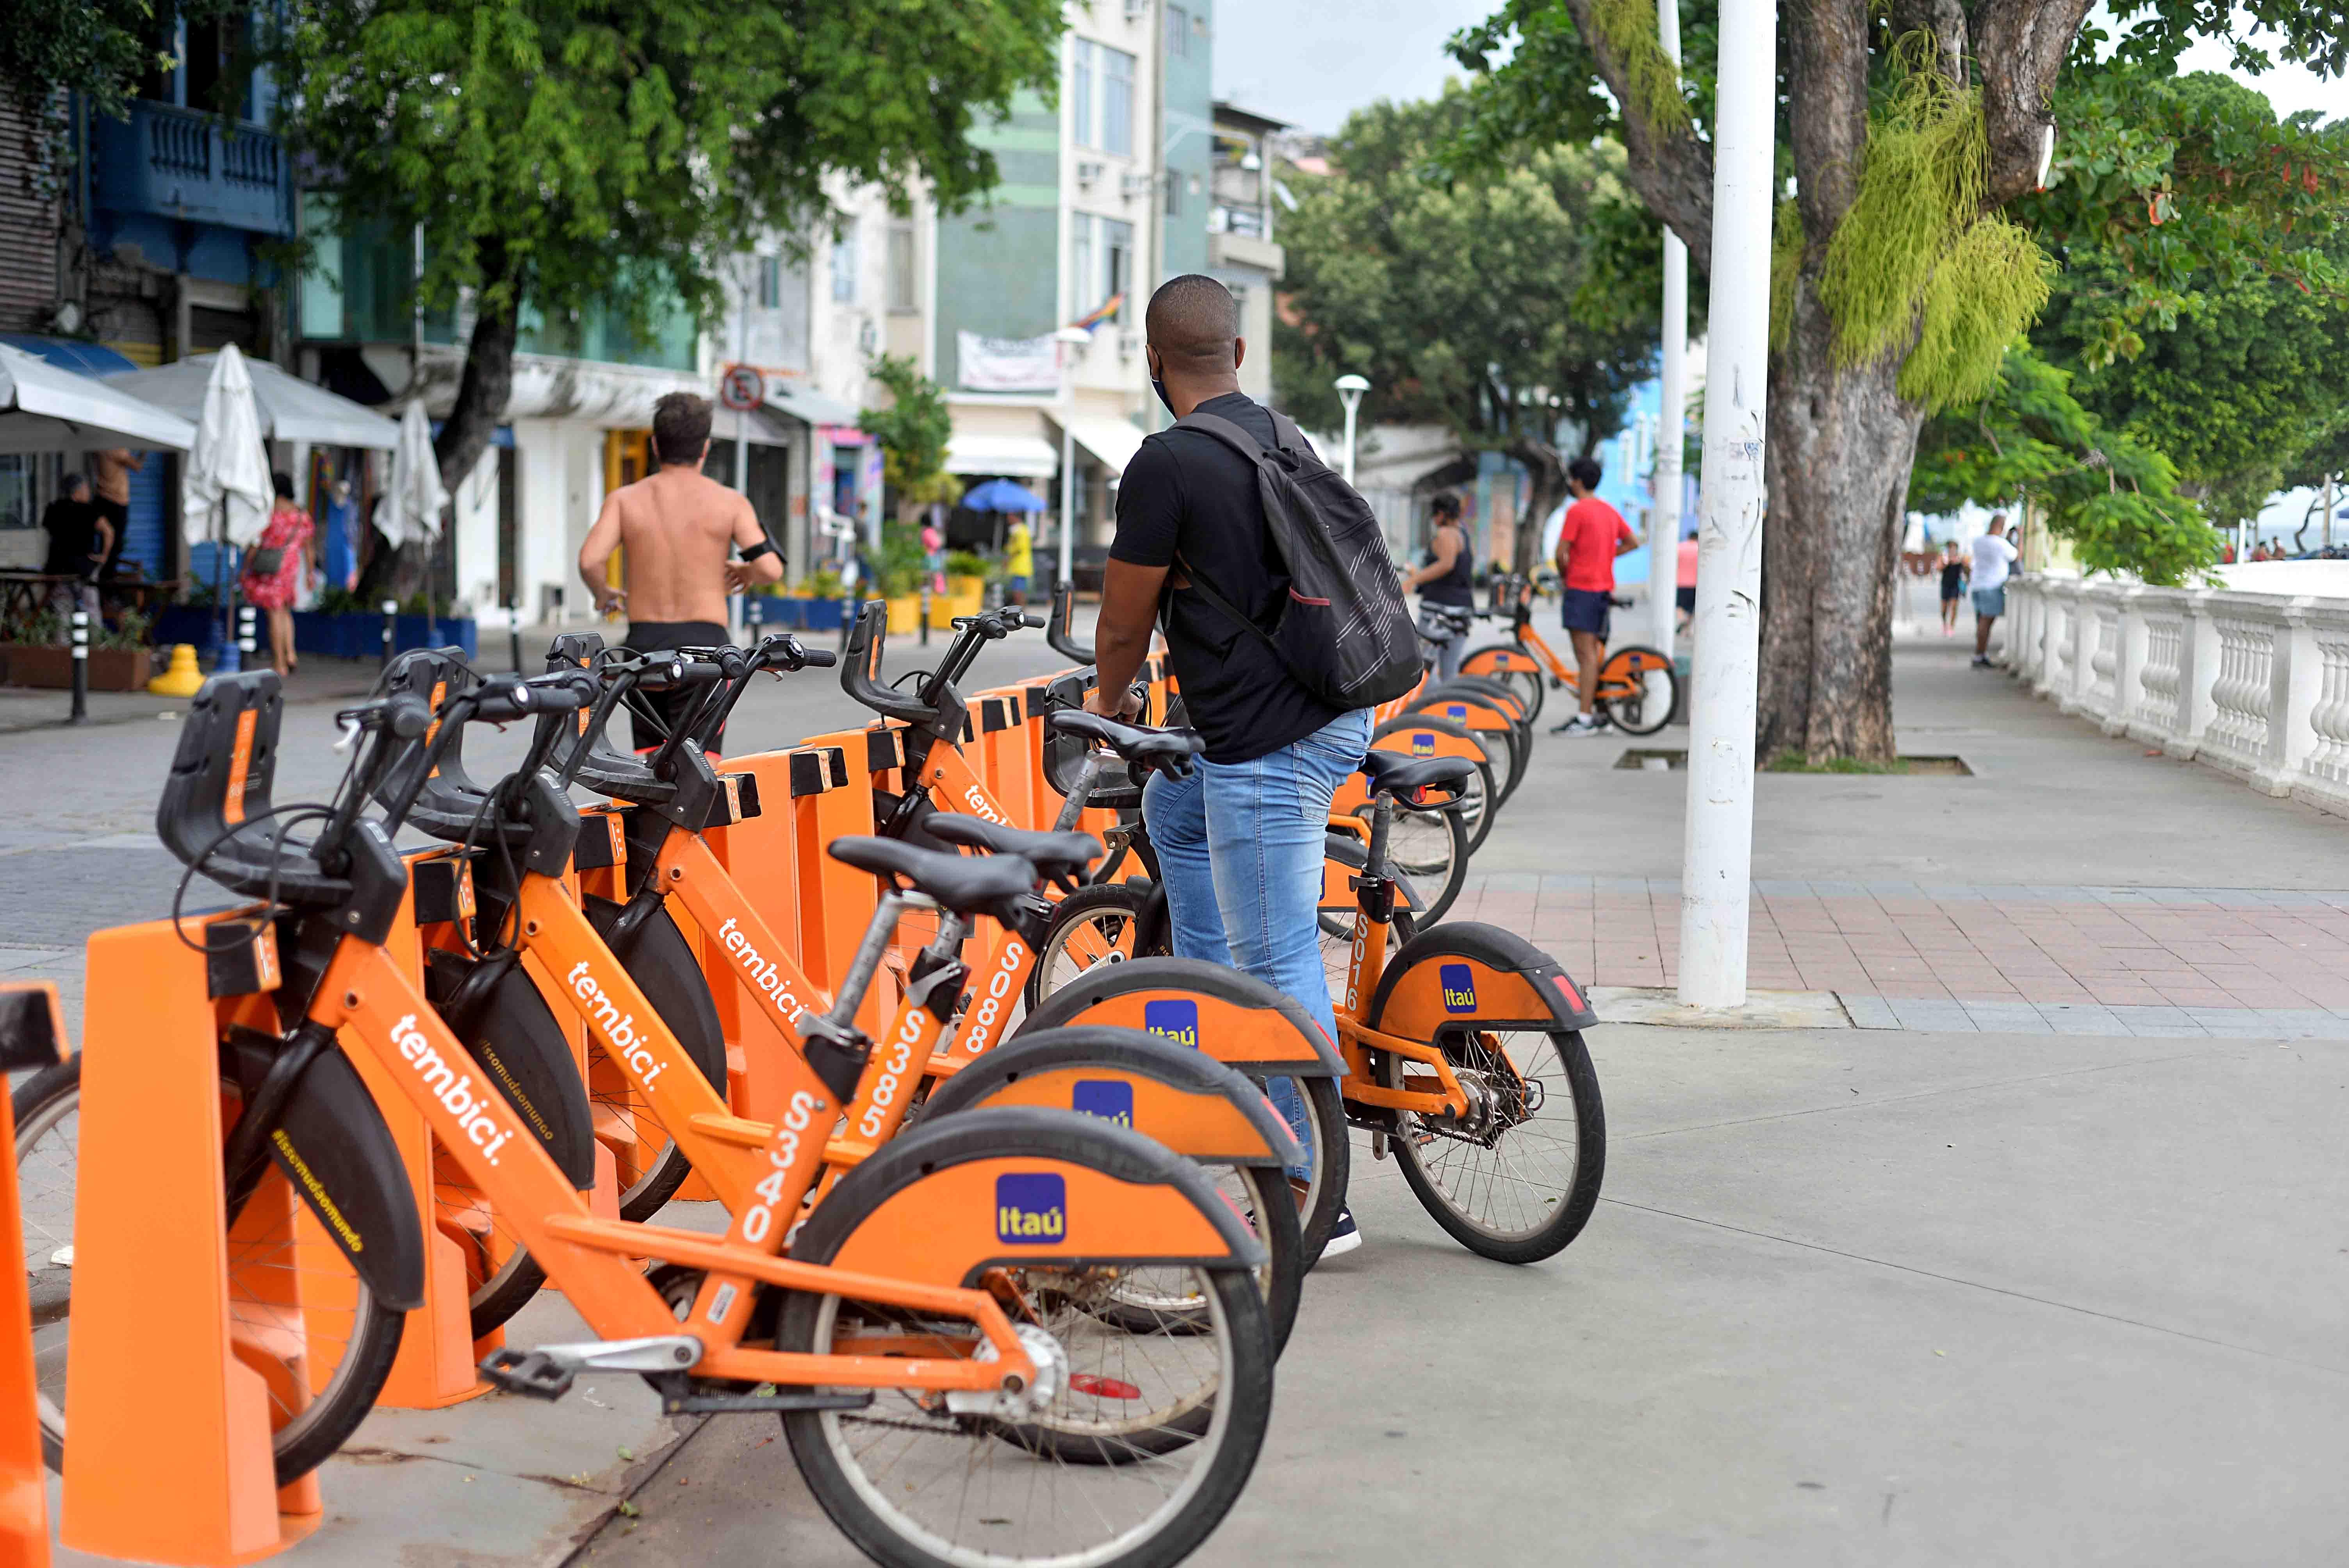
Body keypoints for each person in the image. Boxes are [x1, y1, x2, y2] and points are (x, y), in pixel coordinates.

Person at [1088, 273, 1374, 1258]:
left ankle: (1311, 1188)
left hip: (1266, 741)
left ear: (1153, 361)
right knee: (1173, 812)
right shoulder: (1284, 437)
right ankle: (1220, 1032)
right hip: (1336, 706)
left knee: (1277, 955)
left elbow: (1122, 621)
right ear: (1238, 354)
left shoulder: (1164, 463)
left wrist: (1105, 704)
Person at [577, 391, 782, 751]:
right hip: (707, 649)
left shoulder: (625, 500)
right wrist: (747, 573)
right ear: (705, 447)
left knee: (651, 761)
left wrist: (603, 594)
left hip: (645, 647)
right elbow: (770, 568)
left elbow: (590, 561)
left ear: (656, 445)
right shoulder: (730, 503)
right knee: (701, 762)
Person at [1548, 455, 1640, 736]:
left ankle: (1584, 718)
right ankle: (1601, 714)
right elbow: (1633, 542)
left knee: (1585, 656)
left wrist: (1566, 574)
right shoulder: (1609, 511)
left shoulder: (1577, 511)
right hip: (1603, 590)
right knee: (1597, 654)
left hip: (1581, 589)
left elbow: (1561, 554)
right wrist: (1606, 556)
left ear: (1577, 481)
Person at [242, 473, 314, 678]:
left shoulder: (270, 514)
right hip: (291, 567)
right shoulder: (302, 516)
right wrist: (310, 574)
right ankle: (290, 654)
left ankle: (279, 663)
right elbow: (309, 549)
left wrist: (245, 567)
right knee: (284, 611)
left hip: (272, 568)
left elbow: (256, 544)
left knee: (274, 612)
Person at [1401, 491, 1475, 681]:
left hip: (1440, 610)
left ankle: (1433, 700)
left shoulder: (1446, 533)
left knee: (1421, 670)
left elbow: (1446, 564)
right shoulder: (1463, 533)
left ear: (1441, 514)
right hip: (1461, 609)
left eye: (1434, 514)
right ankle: (1450, 701)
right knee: (1449, 672)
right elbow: (1454, 571)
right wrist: (1419, 574)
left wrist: (1412, 581)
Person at [39, 475, 109, 644]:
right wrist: (104, 556)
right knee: (91, 606)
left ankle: (62, 647)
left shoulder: (54, 509)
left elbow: (49, 531)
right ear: (78, 491)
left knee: (62, 608)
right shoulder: (89, 510)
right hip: (84, 568)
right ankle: (96, 645)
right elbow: (109, 531)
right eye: (86, 489)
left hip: (58, 568)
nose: (88, 493)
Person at [1968, 513, 2019, 668]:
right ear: (2001, 527)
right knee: (1986, 623)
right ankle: (1979, 655)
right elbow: (2017, 556)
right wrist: (2020, 538)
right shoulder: (2001, 544)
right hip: (1992, 587)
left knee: (1981, 622)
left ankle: (1981, 654)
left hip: (1977, 585)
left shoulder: (1978, 541)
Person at [88, 448, 142, 580]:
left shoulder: (100, 448)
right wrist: (145, 449)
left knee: (105, 543)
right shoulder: (117, 449)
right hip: (116, 502)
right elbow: (137, 466)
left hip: (102, 498)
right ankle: (106, 581)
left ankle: (102, 577)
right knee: (114, 544)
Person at [322, 476, 359, 593]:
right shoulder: (329, 504)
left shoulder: (351, 506)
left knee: (346, 579)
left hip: (345, 547)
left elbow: (353, 531)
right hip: (331, 547)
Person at [1937, 541, 1968, 636]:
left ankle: (1951, 627)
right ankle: (1944, 624)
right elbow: (1938, 568)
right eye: (1951, 548)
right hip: (1946, 585)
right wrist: (1948, 563)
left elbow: (1967, 570)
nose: (1953, 550)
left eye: (1954, 548)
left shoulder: (1960, 558)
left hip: (1956, 585)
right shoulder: (1944, 557)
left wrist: (1964, 563)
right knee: (1944, 608)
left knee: (1954, 607)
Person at [1004, 515, 1034, 606]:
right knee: (1020, 590)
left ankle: (1020, 609)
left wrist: (1008, 559)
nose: (1008, 520)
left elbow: (1019, 549)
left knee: (1018, 590)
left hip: (1019, 566)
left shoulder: (1020, 531)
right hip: (1020, 565)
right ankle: (1021, 609)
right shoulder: (1022, 530)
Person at [1675, 530, 1699, 634]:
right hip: (1695, 584)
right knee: (1692, 608)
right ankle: (1687, 629)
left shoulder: (1679, 547)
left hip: (1680, 582)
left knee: (1680, 606)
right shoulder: (1700, 549)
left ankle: (1682, 620)